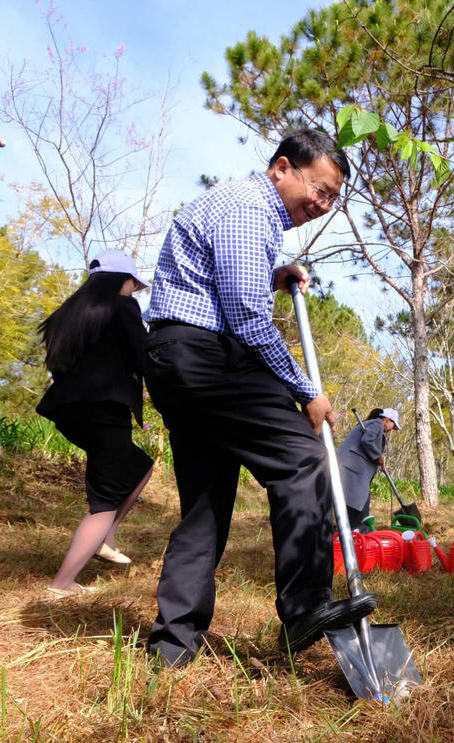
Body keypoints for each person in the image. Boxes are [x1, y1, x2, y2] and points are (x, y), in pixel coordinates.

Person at [142, 128, 375, 666]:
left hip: (176, 359)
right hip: (207, 360)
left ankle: (171, 647)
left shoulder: (240, 207)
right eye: (318, 189)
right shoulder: (250, 210)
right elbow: (247, 318)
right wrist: (306, 391)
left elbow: (220, 285)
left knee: (205, 508)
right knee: (304, 460)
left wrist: (273, 276)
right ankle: (305, 605)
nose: (322, 205)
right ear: (282, 168)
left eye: (332, 199)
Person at [36, 251, 155, 598]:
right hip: (105, 410)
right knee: (105, 497)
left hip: (70, 411)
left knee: (139, 465)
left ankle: (106, 539)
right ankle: (61, 586)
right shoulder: (123, 307)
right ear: (124, 280)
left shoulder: (70, 313)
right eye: (133, 284)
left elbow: (59, 365)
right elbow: (145, 355)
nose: (134, 291)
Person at [337, 407, 399, 527]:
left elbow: (364, 454)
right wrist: (378, 456)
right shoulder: (377, 424)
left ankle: (353, 532)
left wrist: (380, 466)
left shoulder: (370, 424)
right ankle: (359, 533)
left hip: (351, 472)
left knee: (355, 507)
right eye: (393, 426)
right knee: (360, 511)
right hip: (353, 474)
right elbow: (367, 441)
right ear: (387, 420)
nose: (392, 430)